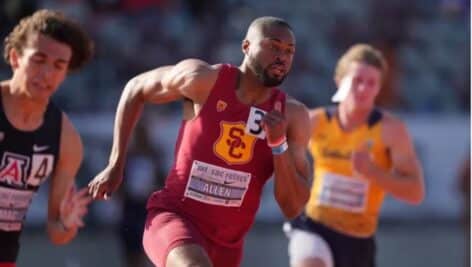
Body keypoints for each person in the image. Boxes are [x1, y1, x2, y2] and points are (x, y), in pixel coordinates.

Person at [88, 16, 311, 267]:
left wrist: (278, 144)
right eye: (273, 46)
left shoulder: (293, 116)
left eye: (289, 51)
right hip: (175, 218)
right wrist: (115, 163)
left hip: (228, 245)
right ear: (246, 46)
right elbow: (135, 88)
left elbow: (294, 207)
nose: (282, 56)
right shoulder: (203, 80)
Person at [284, 44, 425, 267]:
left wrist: (373, 172)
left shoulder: (391, 131)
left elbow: (416, 193)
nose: (363, 89)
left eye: (371, 83)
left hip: (358, 241)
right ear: (340, 81)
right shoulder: (317, 121)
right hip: (314, 227)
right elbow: (273, 146)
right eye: (357, 80)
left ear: (379, 88)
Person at [0, 9, 94, 266]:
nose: (47, 73)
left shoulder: (66, 139)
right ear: (15, 58)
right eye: (38, 60)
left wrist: (67, 221)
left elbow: (56, 232)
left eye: (58, 66)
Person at [119, 120, 165, 267]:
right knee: (131, 249)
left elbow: (162, 180)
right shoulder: (128, 156)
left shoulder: (154, 155)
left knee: (148, 247)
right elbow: (120, 182)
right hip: (131, 206)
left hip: (147, 206)